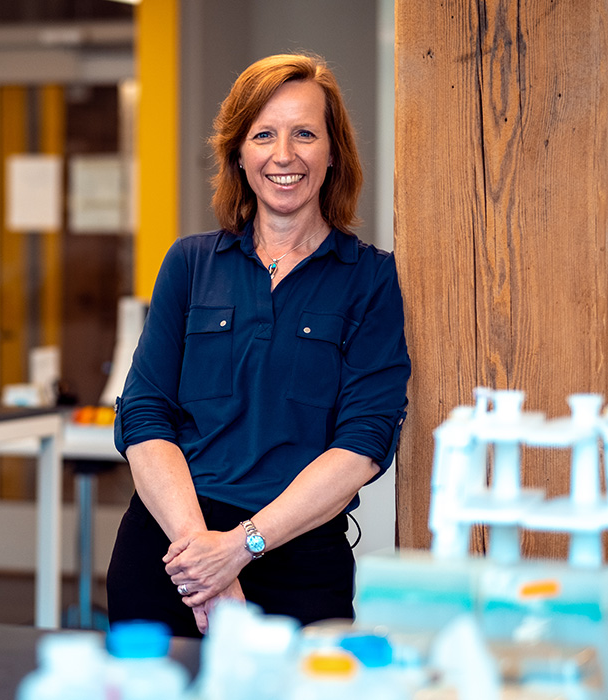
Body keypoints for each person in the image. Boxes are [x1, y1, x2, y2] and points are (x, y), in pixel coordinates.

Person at [107, 53, 410, 637]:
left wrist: (240, 548)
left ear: (333, 152)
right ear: (239, 154)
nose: (284, 155)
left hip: (297, 560)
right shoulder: (190, 264)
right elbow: (144, 414)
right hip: (170, 551)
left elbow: (366, 441)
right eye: (263, 134)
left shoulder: (371, 280)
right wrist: (206, 559)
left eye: (304, 134)